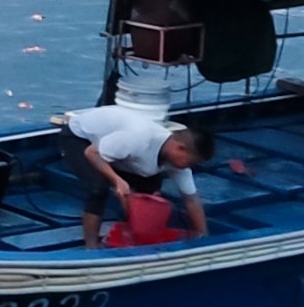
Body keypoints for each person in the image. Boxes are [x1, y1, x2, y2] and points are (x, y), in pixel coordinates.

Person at [60, 103, 211, 245]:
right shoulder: (138, 138)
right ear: (180, 148)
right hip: (81, 139)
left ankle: (132, 232)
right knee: (98, 187)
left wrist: (202, 234)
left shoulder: (177, 164)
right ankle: (91, 246)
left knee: (150, 187)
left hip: (115, 150)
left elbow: (191, 199)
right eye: (191, 162)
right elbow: (92, 153)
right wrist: (116, 180)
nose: (189, 167)